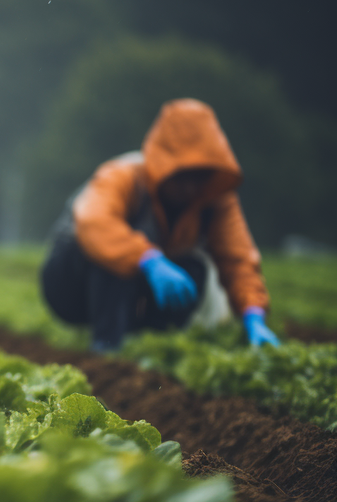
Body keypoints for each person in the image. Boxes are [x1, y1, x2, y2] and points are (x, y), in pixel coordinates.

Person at [41, 98, 279, 352]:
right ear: (164, 165)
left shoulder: (215, 200)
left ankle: (150, 348)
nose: (190, 188)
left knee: (194, 269)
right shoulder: (124, 175)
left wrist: (253, 312)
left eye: (198, 178)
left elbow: (238, 257)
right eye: (182, 177)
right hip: (71, 284)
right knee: (112, 257)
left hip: (136, 289)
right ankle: (107, 347)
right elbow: (94, 224)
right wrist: (148, 258)